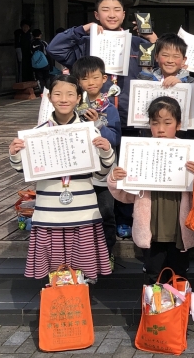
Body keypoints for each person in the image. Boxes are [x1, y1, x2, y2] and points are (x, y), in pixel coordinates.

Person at [9, 75, 115, 281]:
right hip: (49, 215)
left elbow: (101, 173)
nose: (64, 99)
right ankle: (58, 302)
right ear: (49, 97)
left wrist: (106, 151)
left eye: (70, 94)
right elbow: (23, 170)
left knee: (83, 274)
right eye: (57, 94)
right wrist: (15, 154)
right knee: (54, 275)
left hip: (83, 214)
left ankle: (79, 301)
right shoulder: (37, 133)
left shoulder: (90, 132)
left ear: (79, 98)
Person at [107, 97, 194, 283]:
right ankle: (153, 303)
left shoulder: (189, 153)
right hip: (151, 228)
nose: (161, 129)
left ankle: (179, 303)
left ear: (178, 125)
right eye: (155, 123)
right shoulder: (138, 152)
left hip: (179, 228)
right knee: (153, 275)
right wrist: (116, 179)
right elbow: (126, 196)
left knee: (179, 276)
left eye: (167, 123)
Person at [47, 0, 158, 138]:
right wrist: (83, 29)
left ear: (123, 15)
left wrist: (154, 40)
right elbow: (54, 49)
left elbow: (163, 66)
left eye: (117, 10)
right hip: (94, 117)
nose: (112, 15)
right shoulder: (85, 43)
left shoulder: (139, 44)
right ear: (96, 15)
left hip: (132, 118)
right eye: (105, 10)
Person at [71, 56, 122, 272]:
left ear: (104, 79)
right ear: (78, 82)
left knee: (106, 213)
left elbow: (115, 138)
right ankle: (84, 257)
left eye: (95, 77)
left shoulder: (110, 107)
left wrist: (97, 124)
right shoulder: (73, 106)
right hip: (80, 172)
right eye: (84, 79)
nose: (90, 82)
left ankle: (107, 253)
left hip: (104, 172)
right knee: (82, 216)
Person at [138, 33, 194, 141]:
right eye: (165, 55)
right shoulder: (145, 80)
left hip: (184, 138)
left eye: (176, 56)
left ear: (184, 60)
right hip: (150, 136)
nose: (170, 60)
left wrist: (182, 84)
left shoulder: (192, 83)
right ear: (156, 57)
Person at [30, 29, 54, 93]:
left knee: (39, 78)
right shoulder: (43, 43)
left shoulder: (31, 43)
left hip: (35, 64)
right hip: (45, 64)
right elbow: (48, 53)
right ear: (40, 35)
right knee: (47, 78)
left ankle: (42, 91)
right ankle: (48, 91)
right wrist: (51, 64)